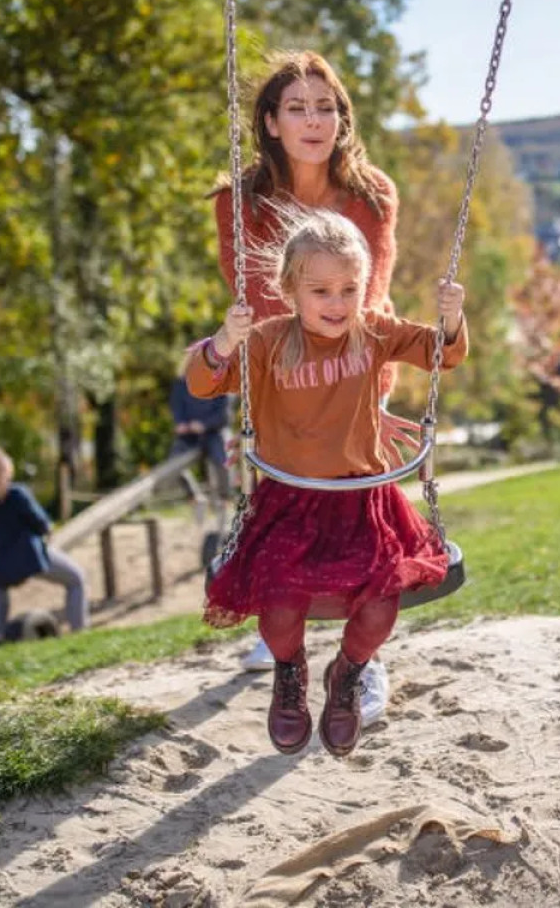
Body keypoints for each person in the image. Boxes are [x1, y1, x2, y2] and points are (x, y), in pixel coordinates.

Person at [187, 209, 468, 758]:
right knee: (279, 611)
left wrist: (453, 319)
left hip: (364, 503)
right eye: (321, 291)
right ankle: (289, 673)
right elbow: (202, 381)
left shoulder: (374, 331)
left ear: (364, 288)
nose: (337, 303)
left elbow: (442, 354)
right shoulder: (267, 342)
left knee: (379, 609)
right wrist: (223, 340)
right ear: (290, 290)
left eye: (349, 289)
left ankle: (348, 675)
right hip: (288, 505)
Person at [212, 49, 415, 673]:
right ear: (271, 122)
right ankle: (282, 619)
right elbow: (257, 302)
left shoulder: (371, 194)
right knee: (283, 505)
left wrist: (361, 407)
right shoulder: (240, 202)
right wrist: (274, 410)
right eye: (297, 108)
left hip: (358, 369)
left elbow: (367, 301)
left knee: (358, 514)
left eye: (325, 108)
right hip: (280, 375)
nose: (313, 121)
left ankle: (363, 664)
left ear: (341, 119)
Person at [0, 445, 89, 641]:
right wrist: (48, 531)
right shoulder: (16, 494)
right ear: (0, 472)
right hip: (29, 558)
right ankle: (79, 631)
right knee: (76, 578)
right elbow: (41, 524)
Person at [169, 375, 232, 541]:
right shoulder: (181, 384)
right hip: (189, 435)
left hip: (214, 432)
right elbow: (177, 408)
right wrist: (181, 423)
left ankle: (223, 502)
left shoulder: (220, 382)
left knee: (222, 461)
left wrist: (204, 425)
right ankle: (195, 498)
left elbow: (223, 415)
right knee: (173, 465)